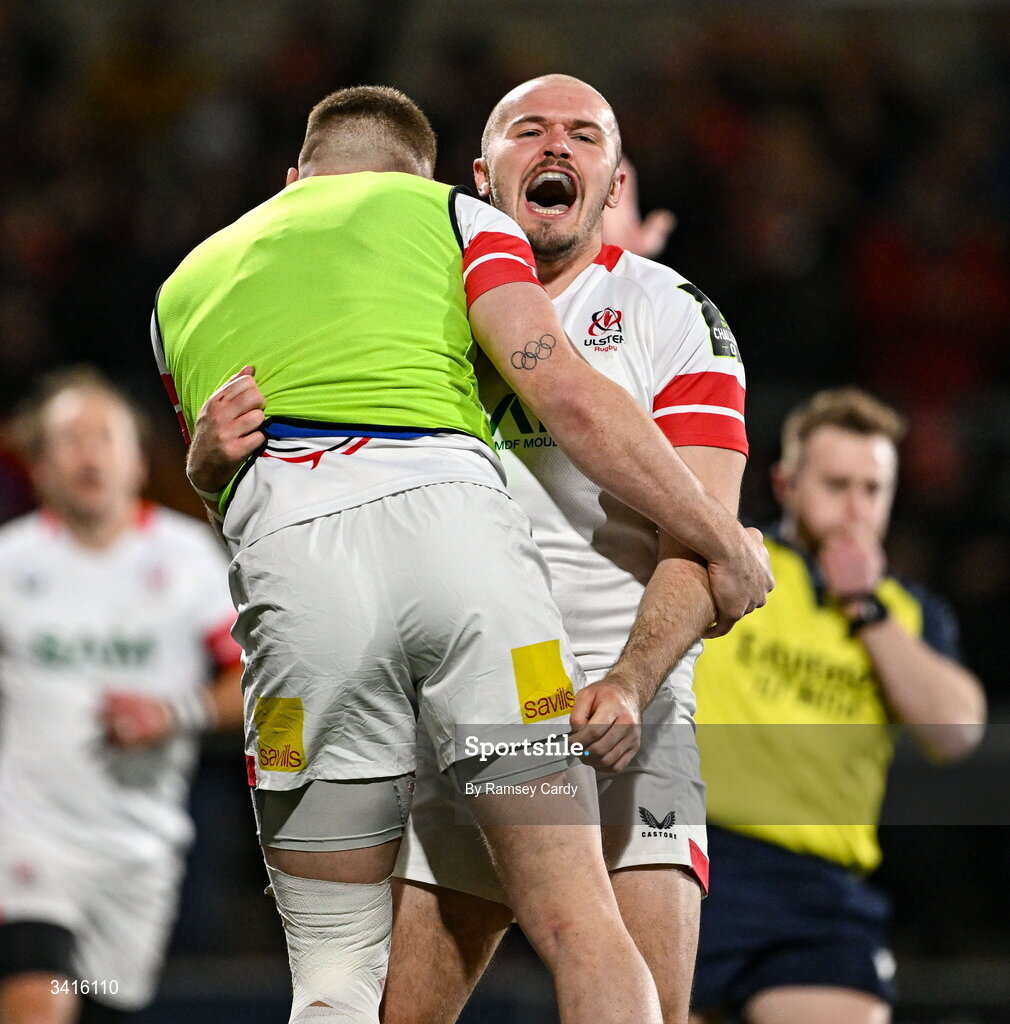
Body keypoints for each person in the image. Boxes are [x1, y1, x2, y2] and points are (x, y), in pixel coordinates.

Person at [160, 86, 771, 1024]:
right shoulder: (423, 275)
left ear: (614, 183)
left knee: (636, 989)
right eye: (528, 131)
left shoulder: (671, 312)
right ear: (479, 181)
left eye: (584, 135)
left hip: (631, 712)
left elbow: (699, 539)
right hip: (465, 704)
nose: (555, 144)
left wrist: (632, 678)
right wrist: (209, 467)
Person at [690, 387, 986, 1024]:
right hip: (702, 859)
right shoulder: (736, 564)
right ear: (786, 483)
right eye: (836, 484)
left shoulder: (906, 612)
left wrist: (866, 606)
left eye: (873, 489)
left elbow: (957, 733)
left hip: (820, 887)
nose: (856, 507)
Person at [0, 368, 243, 1024]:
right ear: (41, 466)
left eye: (103, 437)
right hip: (28, 837)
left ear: (138, 459)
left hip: (138, 845)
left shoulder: (189, 558)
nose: (88, 454)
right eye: (68, 439)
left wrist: (173, 713)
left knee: (104, 1007)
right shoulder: (9, 562)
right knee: (36, 997)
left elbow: (257, 678)